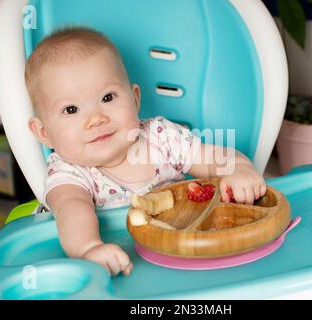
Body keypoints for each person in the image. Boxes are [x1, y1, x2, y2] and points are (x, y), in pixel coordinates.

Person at [25, 27, 266, 277]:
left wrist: (239, 169)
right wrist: (89, 248)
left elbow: (212, 158)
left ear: (135, 98)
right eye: (71, 110)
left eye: (108, 97)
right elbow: (71, 211)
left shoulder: (160, 137)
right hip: (126, 265)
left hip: (181, 254)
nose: (96, 119)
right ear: (43, 132)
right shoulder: (67, 171)